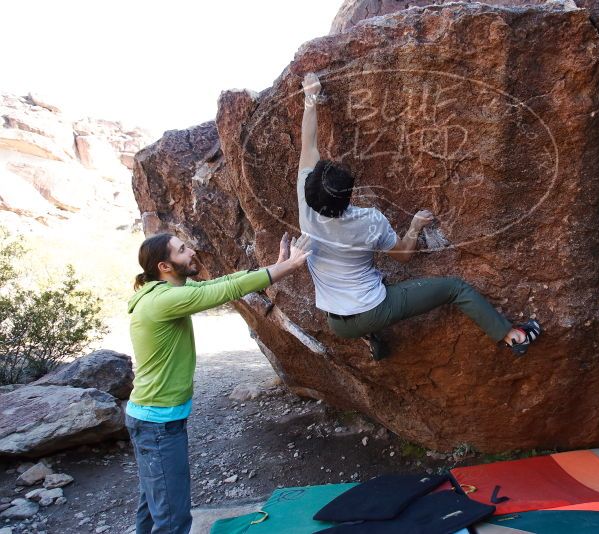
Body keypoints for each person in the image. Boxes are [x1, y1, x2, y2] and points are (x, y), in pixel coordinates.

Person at [296, 72, 541, 360]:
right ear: (348, 196)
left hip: (336, 320)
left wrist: (310, 98)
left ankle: (371, 338)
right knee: (455, 288)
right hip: (373, 308)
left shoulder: (305, 201)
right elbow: (402, 255)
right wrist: (413, 227)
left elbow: (308, 144)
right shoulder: (369, 221)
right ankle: (513, 336)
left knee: (373, 282)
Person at [126, 232, 310, 534]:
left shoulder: (164, 291)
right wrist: (286, 269)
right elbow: (227, 290)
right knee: (172, 517)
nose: (191, 252)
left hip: (152, 419)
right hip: (157, 424)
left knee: (154, 502)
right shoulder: (164, 300)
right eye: (182, 250)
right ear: (165, 266)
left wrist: (273, 268)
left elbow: (219, 284)